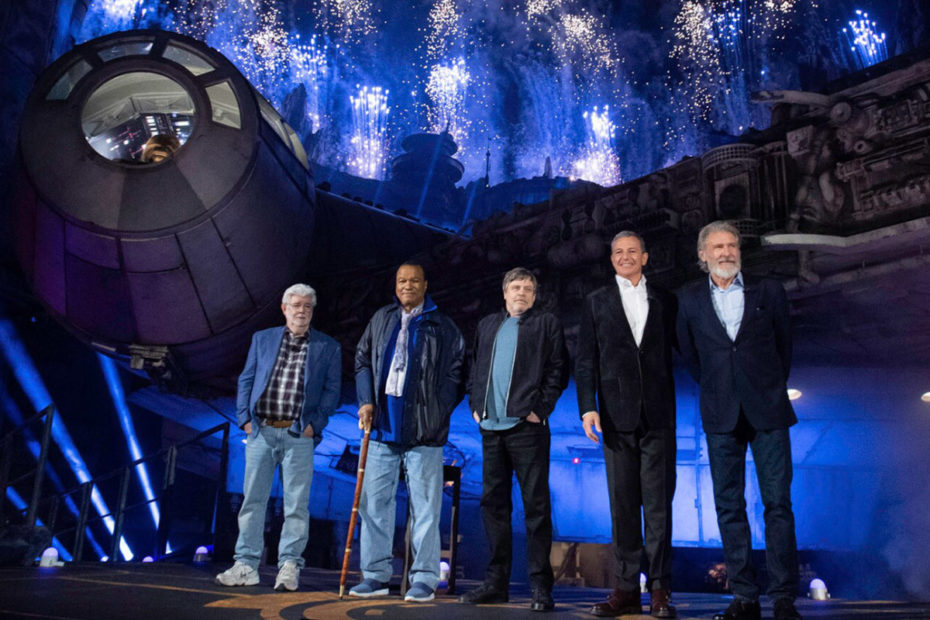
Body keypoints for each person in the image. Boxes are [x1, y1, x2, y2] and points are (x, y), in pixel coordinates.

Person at [676, 221, 802, 620]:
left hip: (768, 409)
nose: (726, 252)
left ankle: (783, 597)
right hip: (720, 412)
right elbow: (690, 356)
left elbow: (784, 349)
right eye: (718, 246)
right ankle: (745, 597)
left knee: (777, 504)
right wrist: (721, 387)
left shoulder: (770, 291)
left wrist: (762, 386)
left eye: (732, 245)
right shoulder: (689, 298)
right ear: (703, 254)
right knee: (728, 506)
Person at [575, 231, 678, 618]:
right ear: (612, 259)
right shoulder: (596, 302)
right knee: (622, 508)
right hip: (615, 418)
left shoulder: (666, 299)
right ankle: (624, 589)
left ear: (645, 257)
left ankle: (660, 590)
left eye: (632, 251)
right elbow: (585, 359)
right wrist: (588, 407)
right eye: (618, 252)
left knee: (658, 508)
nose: (624, 257)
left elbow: (682, 349)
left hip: (658, 416)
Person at [350, 262, 465, 602]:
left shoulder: (442, 325)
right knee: (374, 504)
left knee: (426, 508)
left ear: (425, 284)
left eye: (414, 280)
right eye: (402, 280)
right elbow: (361, 359)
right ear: (395, 284)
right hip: (382, 429)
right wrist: (365, 401)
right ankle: (374, 576)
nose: (408, 285)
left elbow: (457, 371)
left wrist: (438, 410)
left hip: (424, 434)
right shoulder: (381, 318)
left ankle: (424, 579)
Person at [216, 283, 342, 592]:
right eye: (296, 305)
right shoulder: (263, 339)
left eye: (307, 306)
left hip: (299, 435)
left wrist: (315, 423)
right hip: (262, 431)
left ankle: (289, 566)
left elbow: (332, 392)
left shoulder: (328, 347)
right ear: (284, 308)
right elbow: (247, 378)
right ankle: (246, 564)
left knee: (296, 505)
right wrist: (245, 419)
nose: (302, 311)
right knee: (252, 501)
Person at [459, 267, 568, 613]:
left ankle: (540, 585)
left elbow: (558, 368)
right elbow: (473, 367)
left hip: (528, 428)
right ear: (504, 292)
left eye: (528, 288)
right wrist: (476, 405)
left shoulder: (546, 323)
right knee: (494, 506)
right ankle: (496, 584)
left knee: (536, 508)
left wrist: (540, 409)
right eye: (515, 287)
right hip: (491, 428)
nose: (521, 292)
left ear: (534, 296)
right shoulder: (488, 324)